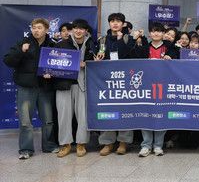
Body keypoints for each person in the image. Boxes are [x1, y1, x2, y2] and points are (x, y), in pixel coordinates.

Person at [3, 18, 59, 159]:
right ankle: (26, 150)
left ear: (46, 29)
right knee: (25, 121)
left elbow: (58, 66)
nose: (36, 30)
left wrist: (52, 74)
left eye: (39, 28)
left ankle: (49, 146)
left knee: (48, 120)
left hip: (45, 88)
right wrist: (21, 51)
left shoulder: (52, 45)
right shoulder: (23, 42)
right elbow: (8, 60)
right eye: (34, 27)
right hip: (26, 88)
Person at [130, 23, 179, 157]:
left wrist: (171, 57)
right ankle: (146, 145)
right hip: (146, 86)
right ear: (150, 33)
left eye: (159, 31)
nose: (156, 33)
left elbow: (177, 59)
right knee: (146, 114)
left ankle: (158, 145)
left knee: (161, 114)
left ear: (163, 33)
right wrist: (134, 39)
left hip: (164, 86)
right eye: (153, 31)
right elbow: (132, 58)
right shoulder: (144, 48)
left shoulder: (170, 47)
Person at [54, 19, 97, 158]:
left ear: (86, 31)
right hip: (64, 84)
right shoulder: (61, 44)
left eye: (81, 28)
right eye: (75, 28)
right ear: (72, 30)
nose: (78, 31)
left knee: (83, 116)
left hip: (83, 84)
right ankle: (65, 144)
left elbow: (97, 64)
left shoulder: (92, 44)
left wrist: (89, 63)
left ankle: (81, 143)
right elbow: (53, 64)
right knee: (63, 116)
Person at [96, 12, 136, 156]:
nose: (115, 23)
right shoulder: (102, 40)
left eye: (118, 21)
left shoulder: (128, 38)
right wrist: (97, 59)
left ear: (123, 24)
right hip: (106, 81)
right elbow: (98, 54)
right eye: (112, 21)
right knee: (107, 110)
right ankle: (107, 143)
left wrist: (120, 40)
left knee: (125, 110)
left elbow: (127, 55)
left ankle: (123, 142)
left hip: (125, 80)